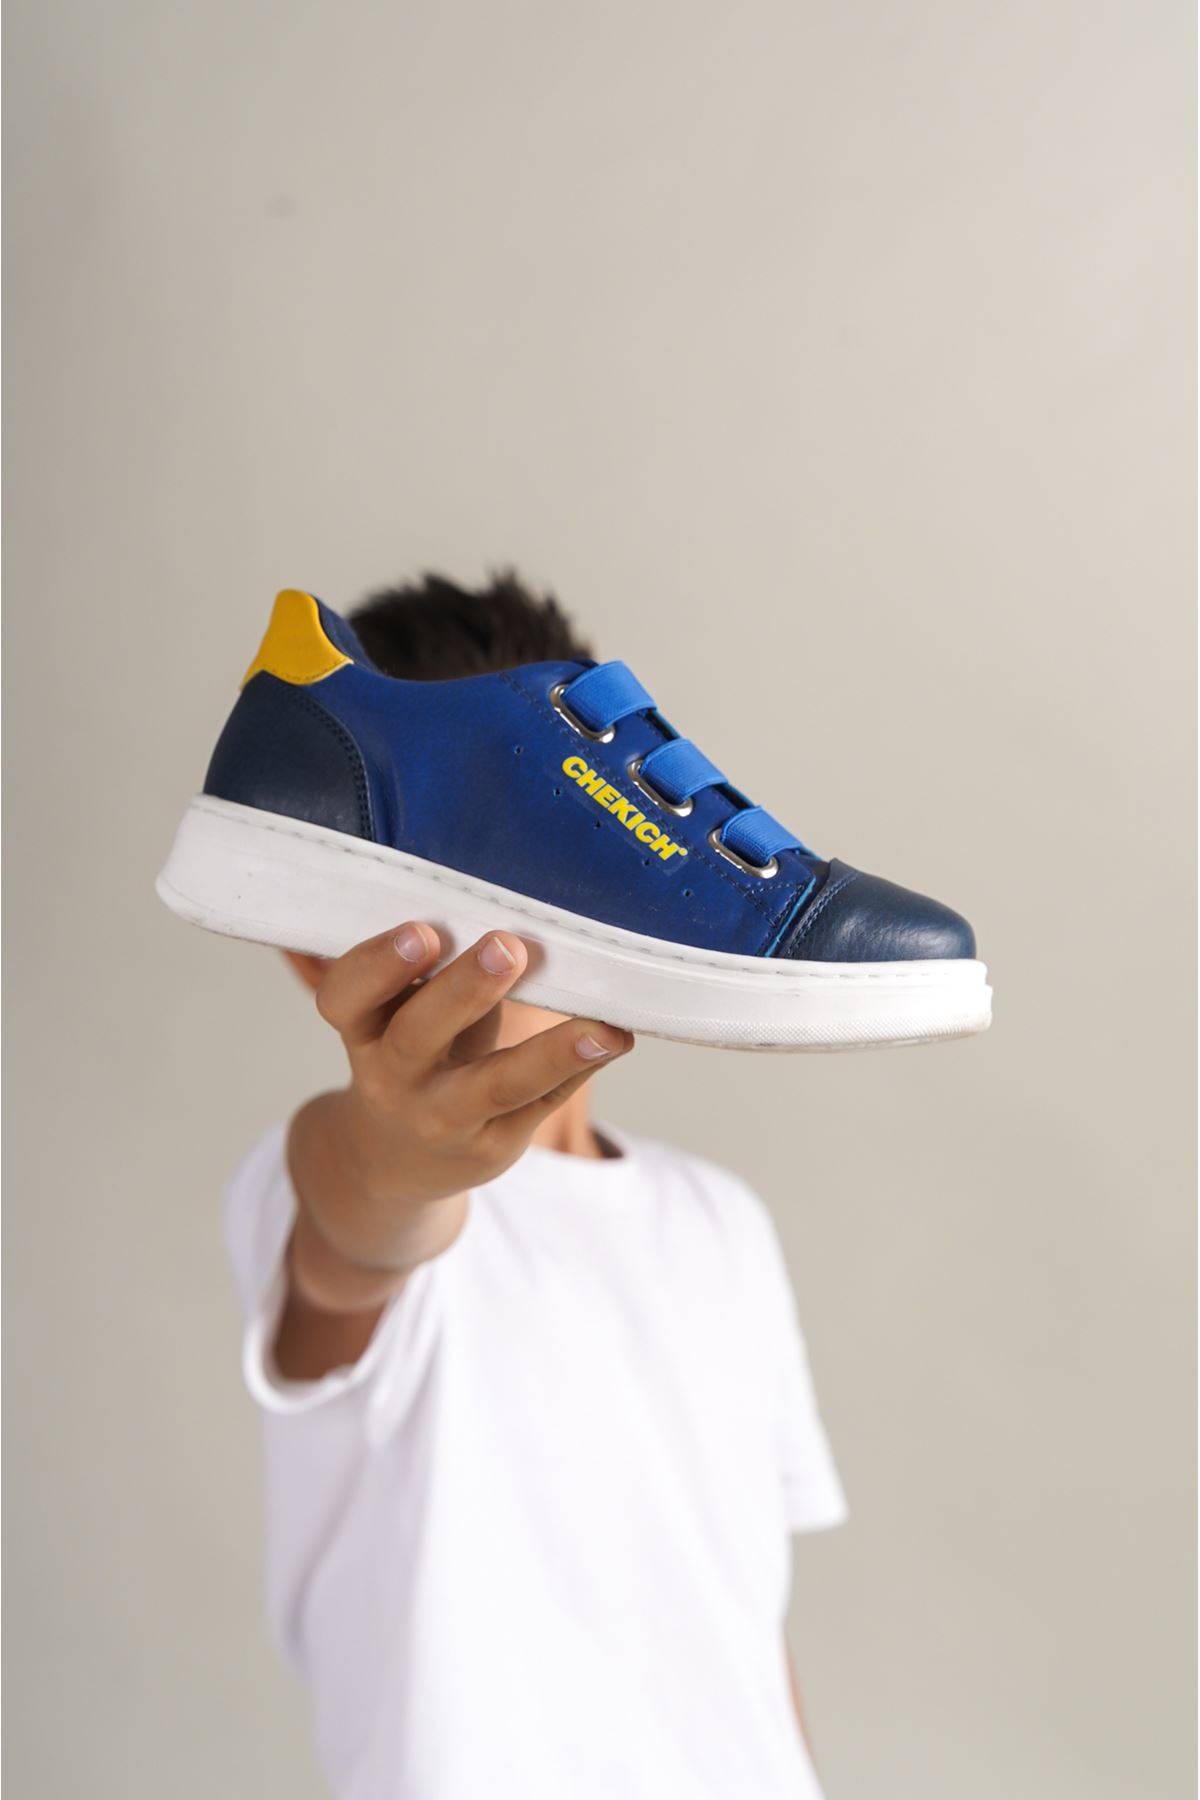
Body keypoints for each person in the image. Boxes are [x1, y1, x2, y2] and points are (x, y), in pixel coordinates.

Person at [223, 572, 847, 1800]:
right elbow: (356, 1231)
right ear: (319, 947)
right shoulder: (323, 1187)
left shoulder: (722, 1222)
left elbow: (742, 1627)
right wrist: (396, 1159)